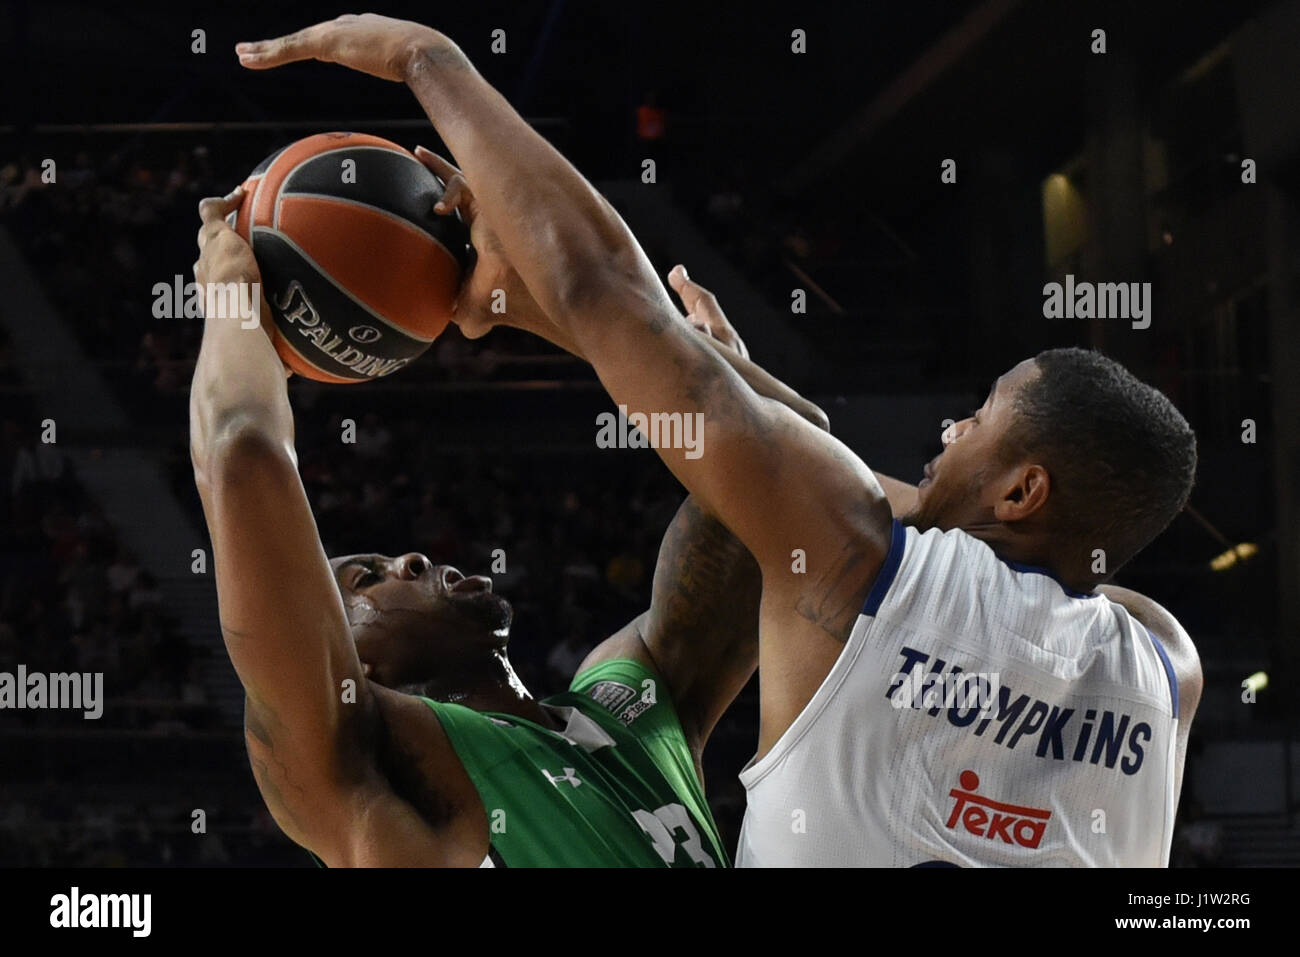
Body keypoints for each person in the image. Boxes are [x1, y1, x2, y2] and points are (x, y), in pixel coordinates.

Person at [234, 13, 1202, 866]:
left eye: (977, 418)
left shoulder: (862, 563)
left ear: (1023, 493)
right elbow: (934, 529)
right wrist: (745, 405)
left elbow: (602, 290)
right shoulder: (1166, 664)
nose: (945, 431)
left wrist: (428, 60)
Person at [190, 188, 827, 865]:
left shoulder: (632, 700)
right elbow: (242, 455)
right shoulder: (380, 762)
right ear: (355, 663)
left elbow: (801, 476)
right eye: (366, 579)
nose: (408, 559)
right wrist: (232, 297)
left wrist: (537, 304)